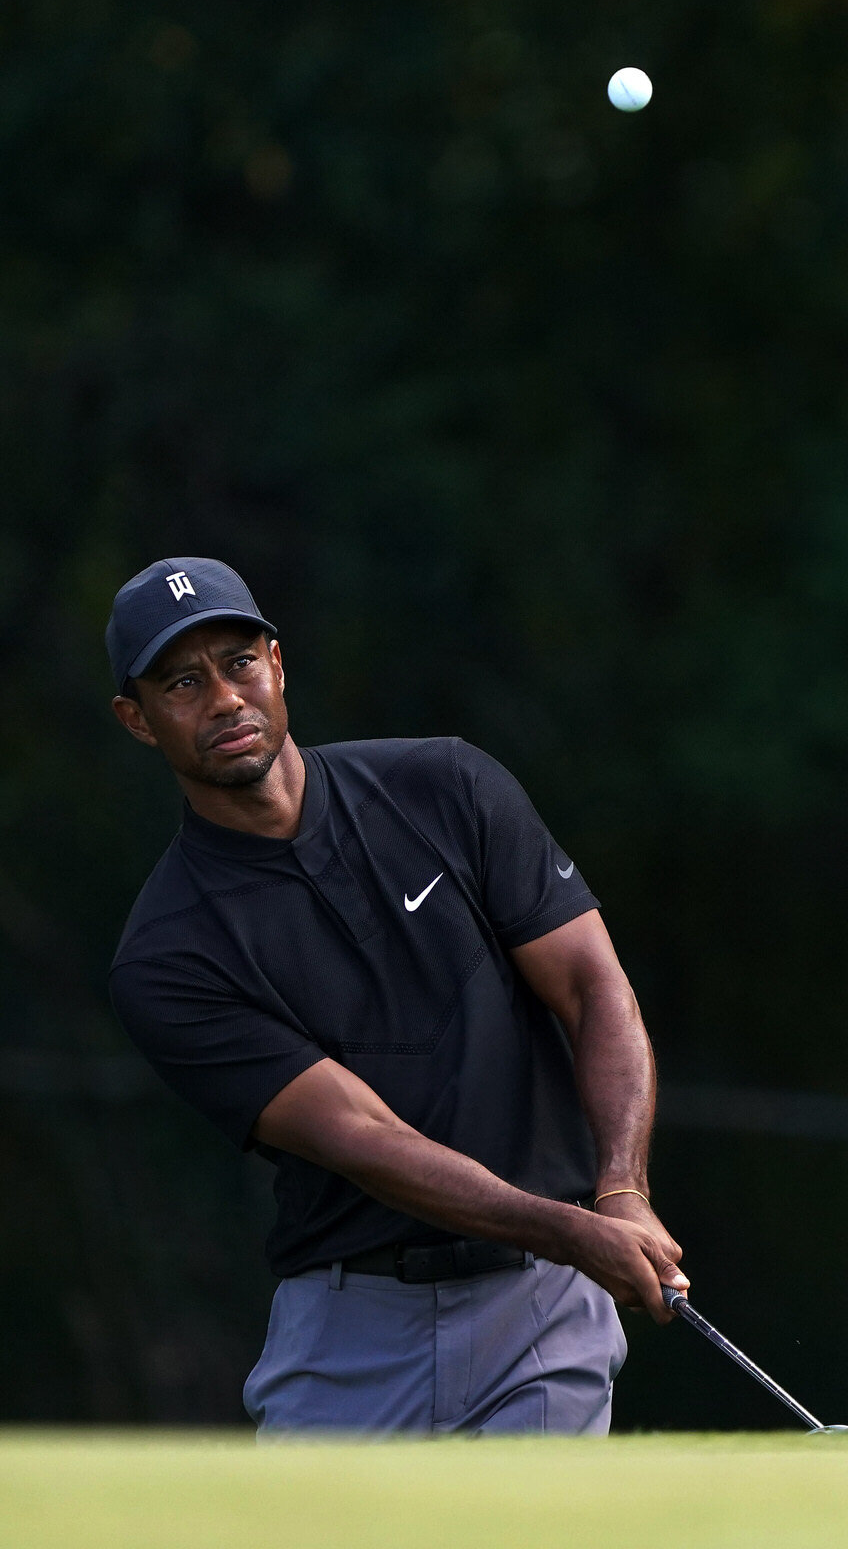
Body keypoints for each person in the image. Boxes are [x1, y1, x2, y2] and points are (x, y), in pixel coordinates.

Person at [106, 557, 688, 1436]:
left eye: (238, 663)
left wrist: (619, 1192)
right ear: (137, 720)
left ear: (276, 661)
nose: (223, 700)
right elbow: (365, 1139)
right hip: (350, 1332)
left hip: (537, 1316)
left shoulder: (446, 786)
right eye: (181, 683)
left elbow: (592, 988)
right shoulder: (166, 954)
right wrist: (572, 1233)